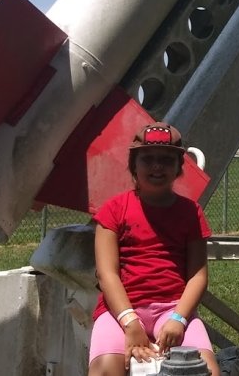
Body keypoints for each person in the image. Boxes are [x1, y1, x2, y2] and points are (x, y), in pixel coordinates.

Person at [88, 122, 219, 376]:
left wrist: (179, 320)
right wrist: (130, 322)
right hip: (120, 310)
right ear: (133, 165)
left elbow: (198, 276)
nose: (157, 166)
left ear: (179, 167)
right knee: (105, 370)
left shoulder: (191, 213)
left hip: (173, 309)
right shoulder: (113, 211)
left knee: (207, 371)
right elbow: (107, 274)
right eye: (147, 159)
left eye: (166, 160)